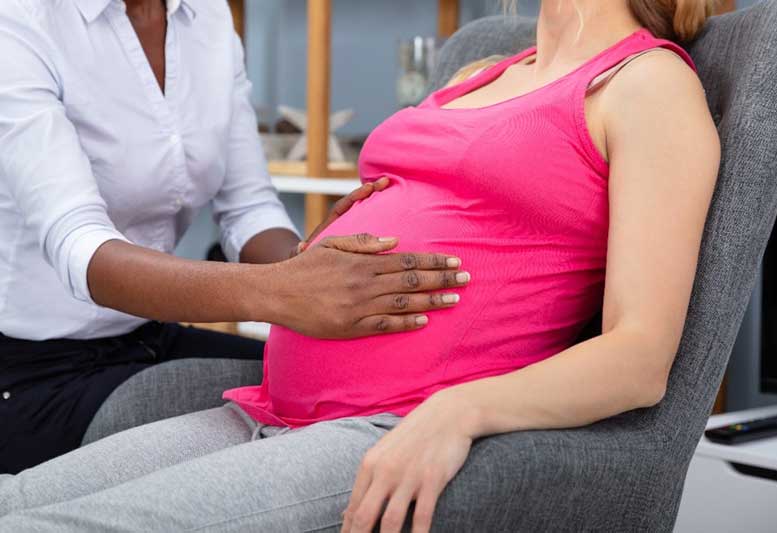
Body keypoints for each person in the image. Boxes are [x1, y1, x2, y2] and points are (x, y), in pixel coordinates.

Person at [0, 0, 722, 531]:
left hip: (388, 423)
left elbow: (640, 355)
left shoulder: (647, 86)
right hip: (272, 410)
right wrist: (320, 261)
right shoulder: (479, 74)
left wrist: (459, 410)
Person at [0, 0, 468, 474]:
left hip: (149, 338)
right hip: (36, 374)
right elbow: (81, 249)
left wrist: (308, 259)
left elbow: (248, 207)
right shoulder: (20, 22)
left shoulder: (207, 16)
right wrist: (285, 291)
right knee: (318, 409)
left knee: (359, 382)